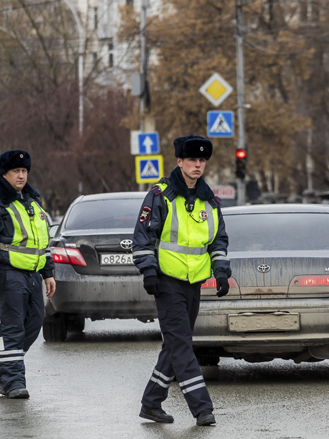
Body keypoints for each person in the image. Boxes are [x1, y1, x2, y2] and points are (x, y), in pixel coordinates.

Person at [132, 135, 231, 426]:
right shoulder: (160, 195)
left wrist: (221, 272)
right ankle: (202, 408)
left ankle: (151, 403)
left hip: (194, 282)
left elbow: (218, 240)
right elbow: (143, 238)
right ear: (179, 162)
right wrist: (148, 271)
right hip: (166, 281)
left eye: (201, 161)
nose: (197, 164)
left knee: (176, 344)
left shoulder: (209, 200)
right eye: (192, 160)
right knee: (183, 346)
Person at [0, 150, 56, 399]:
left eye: (24, 171)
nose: (21, 176)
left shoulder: (31, 200)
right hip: (8, 275)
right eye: (16, 172)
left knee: (33, 324)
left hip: (33, 276)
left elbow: (42, 242)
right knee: (11, 330)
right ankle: (13, 382)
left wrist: (48, 272)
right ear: (4, 174)